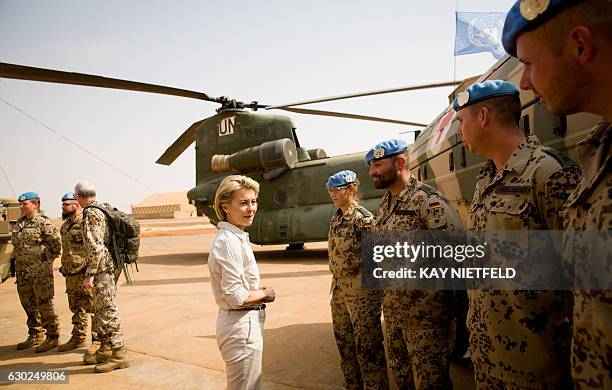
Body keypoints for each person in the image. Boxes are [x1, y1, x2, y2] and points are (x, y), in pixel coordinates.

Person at [502, 1, 611, 387]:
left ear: (580, 45)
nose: (525, 83)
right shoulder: (598, 152)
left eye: (529, 64)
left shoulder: (549, 171)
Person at [453, 80, 581, 389]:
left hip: (537, 370)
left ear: (483, 117)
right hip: (489, 361)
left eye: (461, 121)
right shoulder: (486, 179)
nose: (459, 131)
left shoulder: (548, 173)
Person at [367, 139, 462, 390]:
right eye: (370, 165)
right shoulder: (386, 203)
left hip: (426, 320)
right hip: (395, 316)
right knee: (402, 381)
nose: (372, 172)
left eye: (377, 164)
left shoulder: (427, 201)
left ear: (400, 163)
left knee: (431, 384)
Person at [208, 175, 276, 390]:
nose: (251, 209)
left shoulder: (236, 237)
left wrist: (255, 289)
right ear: (225, 207)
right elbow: (236, 296)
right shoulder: (228, 242)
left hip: (243, 323)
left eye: (253, 202)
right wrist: (267, 294)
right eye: (243, 203)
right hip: (240, 326)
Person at [326, 170, 388, 390]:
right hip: (340, 290)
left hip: (361, 294)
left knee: (368, 347)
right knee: (345, 344)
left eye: (337, 189)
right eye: (330, 190)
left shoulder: (363, 219)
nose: (332, 194)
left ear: (351, 189)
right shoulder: (337, 217)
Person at [76, 181, 128, 373]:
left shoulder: (90, 213)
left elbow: (95, 246)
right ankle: (106, 348)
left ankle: (119, 354)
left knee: (107, 310)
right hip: (110, 265)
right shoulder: (104, 208)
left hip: (101, 269)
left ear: (78, 197)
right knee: (101, 310)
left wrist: (90, 274)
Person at [10, 191, 61, 352]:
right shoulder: (19, 223)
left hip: (40, 273)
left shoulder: (43, 222)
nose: (21, 206)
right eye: (21, 204)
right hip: (23, 272)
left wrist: (45, 263)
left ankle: (52, 336)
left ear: (36, 204)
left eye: (25, 204)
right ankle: (35, 334)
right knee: (28, 304)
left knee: (45, 304)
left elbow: (55, 245)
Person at [58, 191, 98, 353]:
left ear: (76, 205)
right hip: (70, 272)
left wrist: (91, 272)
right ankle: (78, 337)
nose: (63, 207)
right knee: (76, 307)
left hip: (85, 272)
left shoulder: (85, 223)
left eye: (66, 204)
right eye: (62, 204)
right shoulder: (65, 225)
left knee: (94, 307)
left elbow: (94, 247)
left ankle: (98, 340)